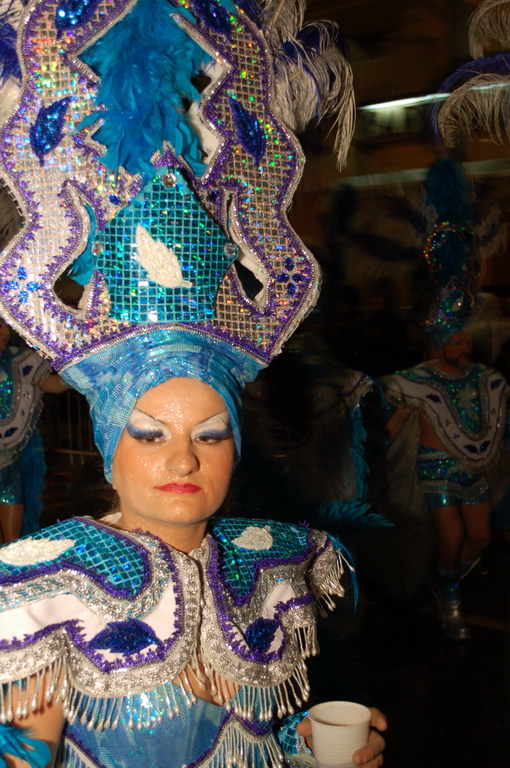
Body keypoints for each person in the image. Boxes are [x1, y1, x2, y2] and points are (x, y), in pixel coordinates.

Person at [0, 0, 386, 765]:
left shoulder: (272, 562)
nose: (183, 462)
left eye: (209, 436)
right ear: (109, 444)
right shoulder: (45, 589)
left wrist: (306, 747)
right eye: (151, 434)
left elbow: (252, 740)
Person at [381, 159, 509, 639]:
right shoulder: (411, 381)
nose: (463, 347)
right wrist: (390, 422)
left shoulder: (488, 379)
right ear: (436, 343)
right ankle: (449, 602)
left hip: (473, 471)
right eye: (454, 341)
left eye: (465, 340)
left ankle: (443, 581)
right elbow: (390, 432)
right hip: (434, 470)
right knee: (452, 537)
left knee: (480, 537)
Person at [0, 319, 69, 543]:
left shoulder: (17, 361)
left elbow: (54, 385)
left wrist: (85, 374)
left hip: (9, 467)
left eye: (5, 324)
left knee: (13, 543)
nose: (4, 331)